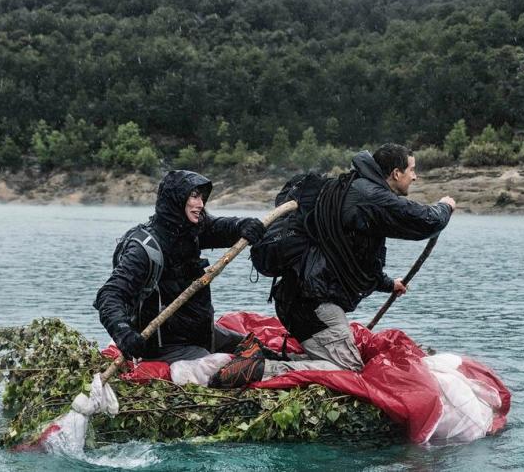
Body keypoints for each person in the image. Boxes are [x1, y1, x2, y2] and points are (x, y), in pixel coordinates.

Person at [210, 144, 456, 387]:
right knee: (348, 370)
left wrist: (389, 284)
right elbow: (426, 221)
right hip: (314, 302)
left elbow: (355, 259)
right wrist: (446, 206)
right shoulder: (370, 196)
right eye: (412, 169)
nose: (415, 176)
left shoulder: (351, 190)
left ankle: (261, 357)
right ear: (395, 173)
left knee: (328, 359)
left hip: (298, 298)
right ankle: (261, 369)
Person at [94, 170, 266, 363]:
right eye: (193, 196)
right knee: (232, 368)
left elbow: (220, 228)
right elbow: (109, 295)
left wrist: (243, 225)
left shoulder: (190, 229)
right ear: (176, 199)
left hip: (200, 334)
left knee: (260, 351)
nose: (200, 204)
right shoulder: (145, 249)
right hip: (165, 347)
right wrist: (123, 333)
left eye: (202, 197)